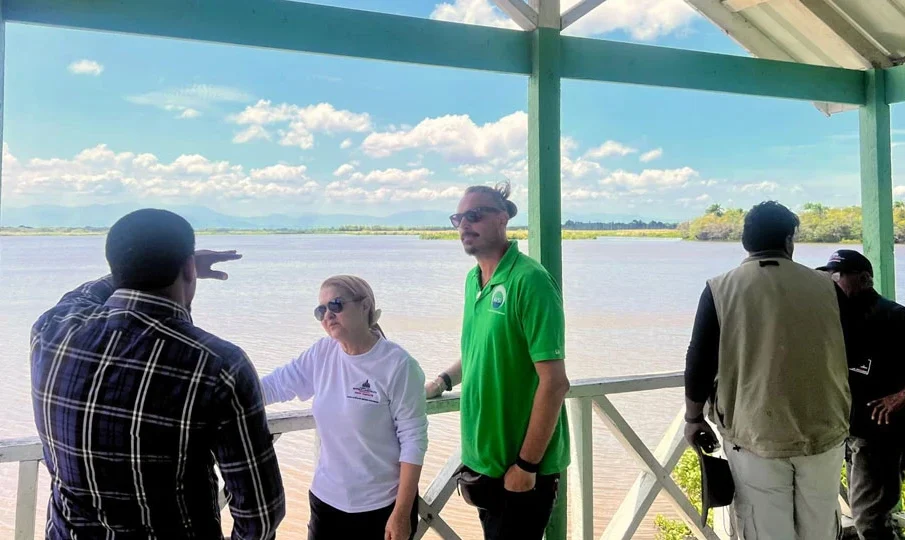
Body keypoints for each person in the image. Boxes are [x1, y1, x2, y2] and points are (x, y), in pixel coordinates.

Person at [30, 209, 285, 539]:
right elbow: (260, 515)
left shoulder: (51, 329)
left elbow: (83, 294)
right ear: (190, 269)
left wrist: (146, 267)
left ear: (116, 266)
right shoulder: (217, 365)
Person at [683, 201, 851, 540]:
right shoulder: (828, 287)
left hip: (755, 433)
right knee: (819, 526)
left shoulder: (720, 288)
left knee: (765, 529)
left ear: (745, 240)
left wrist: (693, 418)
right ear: (790, 240)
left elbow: (698, 362)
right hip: (824, 429)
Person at [426, 182, 571, 540]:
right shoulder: (473, 280)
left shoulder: (530, 280)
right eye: (458, 218)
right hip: (483, 461)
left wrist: (526, 464)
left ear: (503, 218)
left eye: (475, 215)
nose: (464, 225)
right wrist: (442, 381)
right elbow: (480, 351)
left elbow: (554, 382)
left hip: (520, 467)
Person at [260, 275, 427, 540]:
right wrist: (221, 392)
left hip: (381, 507)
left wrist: (401, 512)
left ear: (365, 306)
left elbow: (413, 441)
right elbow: (275, 385)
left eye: (336, 305)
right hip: (326, 502)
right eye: (321, 310)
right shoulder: (321, 353)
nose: (328, 315)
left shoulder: (398, 365)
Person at [819, 249, 905, 540]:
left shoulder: (893, 316)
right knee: (864, 513)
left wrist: (900, 396)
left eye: (838, 275)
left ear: (865, 279)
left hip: (879, 434)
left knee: (869, 518)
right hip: (847, 429)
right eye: (828, 275)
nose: (831, 281)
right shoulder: (836, 318)